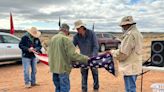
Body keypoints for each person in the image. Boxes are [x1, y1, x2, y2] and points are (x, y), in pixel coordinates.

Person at [48, 23, 89, 92]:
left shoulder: (53, 38)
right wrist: (85, 58)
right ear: (66, 31)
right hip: (63, 68)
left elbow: (49, 53)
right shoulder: (66, 39)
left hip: (54, 68)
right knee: (64, 88)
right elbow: (72, 55)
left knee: (58, 88)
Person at [110, 16, 143, 92]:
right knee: (132, 86)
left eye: (123, 26)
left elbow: (123, 53)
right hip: (134, 65)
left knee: (130, 89)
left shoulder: (130, 35)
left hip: (129, 67)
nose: (122, 28)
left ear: (127, 25)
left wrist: (113, 53)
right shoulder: (138, 34)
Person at [73, 20, 99, 92]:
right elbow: (72, 47)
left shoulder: (92, 34)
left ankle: (96, 88)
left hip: (93, 58)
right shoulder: (76, 37)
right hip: (83, 59)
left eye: (78, 29)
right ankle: (84, 89)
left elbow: (96, 46)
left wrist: (93, 57)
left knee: (95, 73)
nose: (77, 30)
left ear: (82, 27)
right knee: (84, 75)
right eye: (76, 29)